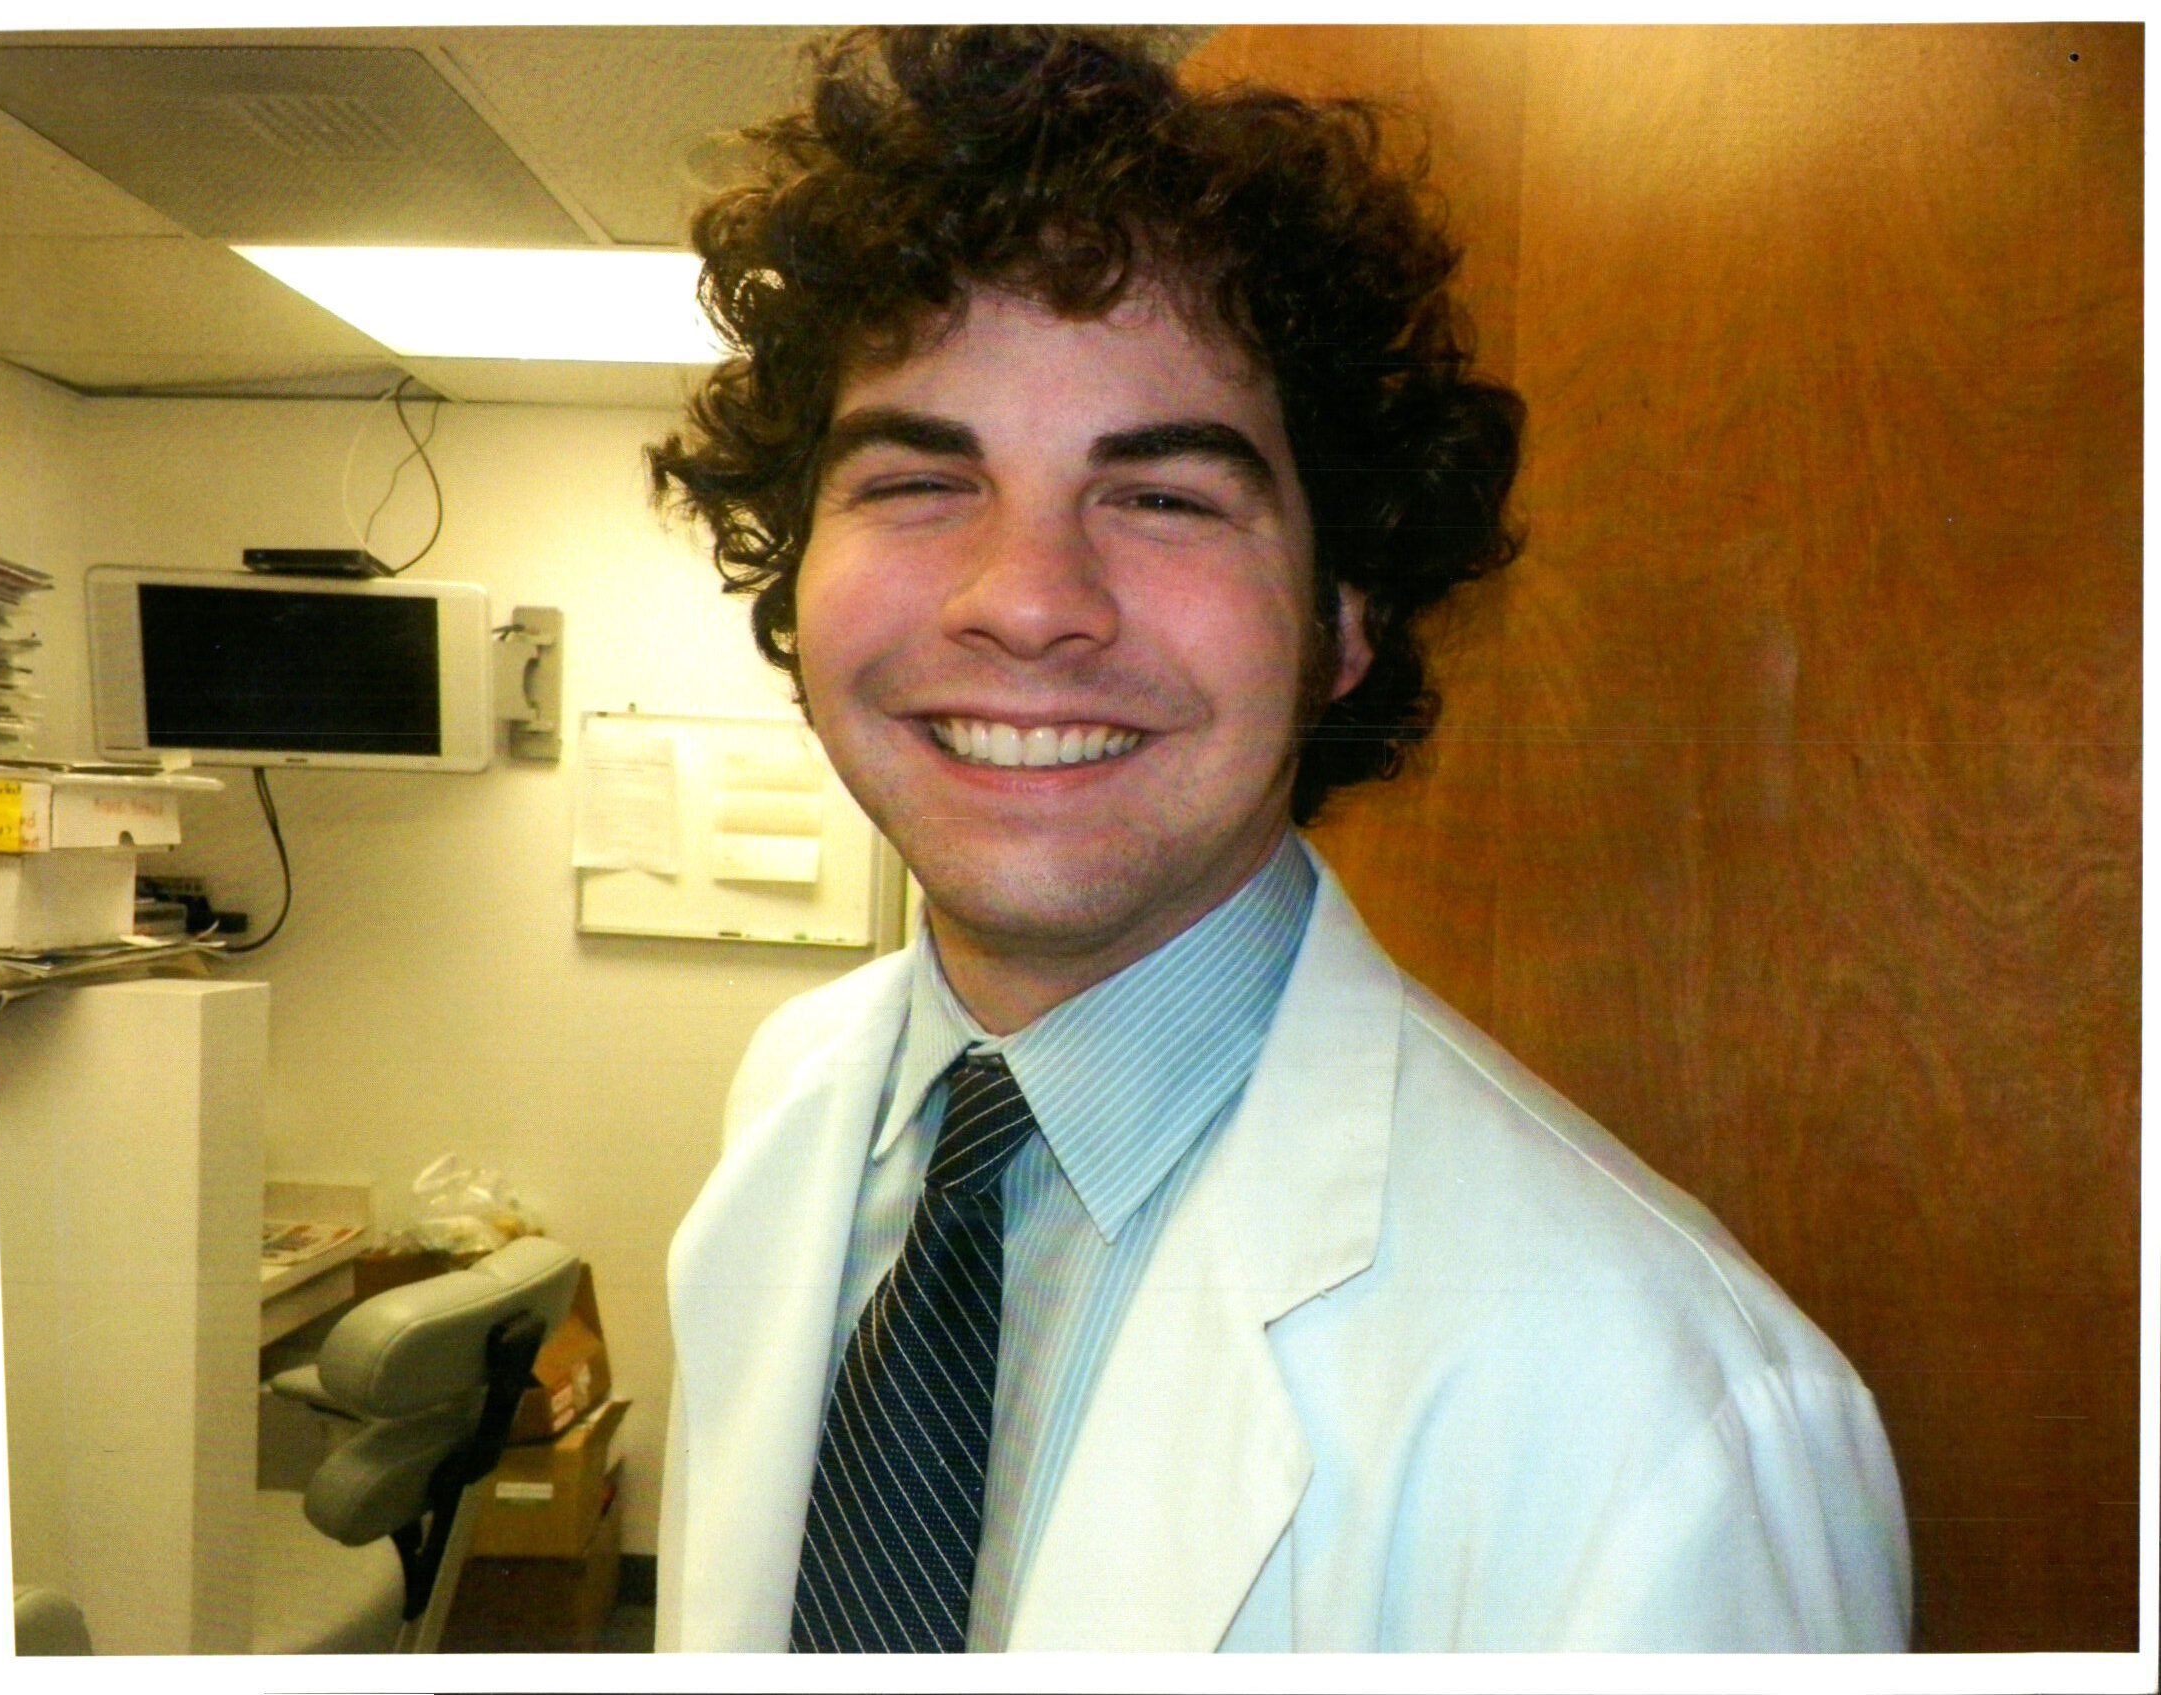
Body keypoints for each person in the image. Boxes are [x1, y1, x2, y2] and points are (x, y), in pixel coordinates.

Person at [648, 26, 1910, 1653]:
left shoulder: (1671, 1417)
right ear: (794, 567)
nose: (1025, 600)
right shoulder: (798, 1109)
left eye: (1166, 495)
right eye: (915, 479)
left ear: (1344, 619)